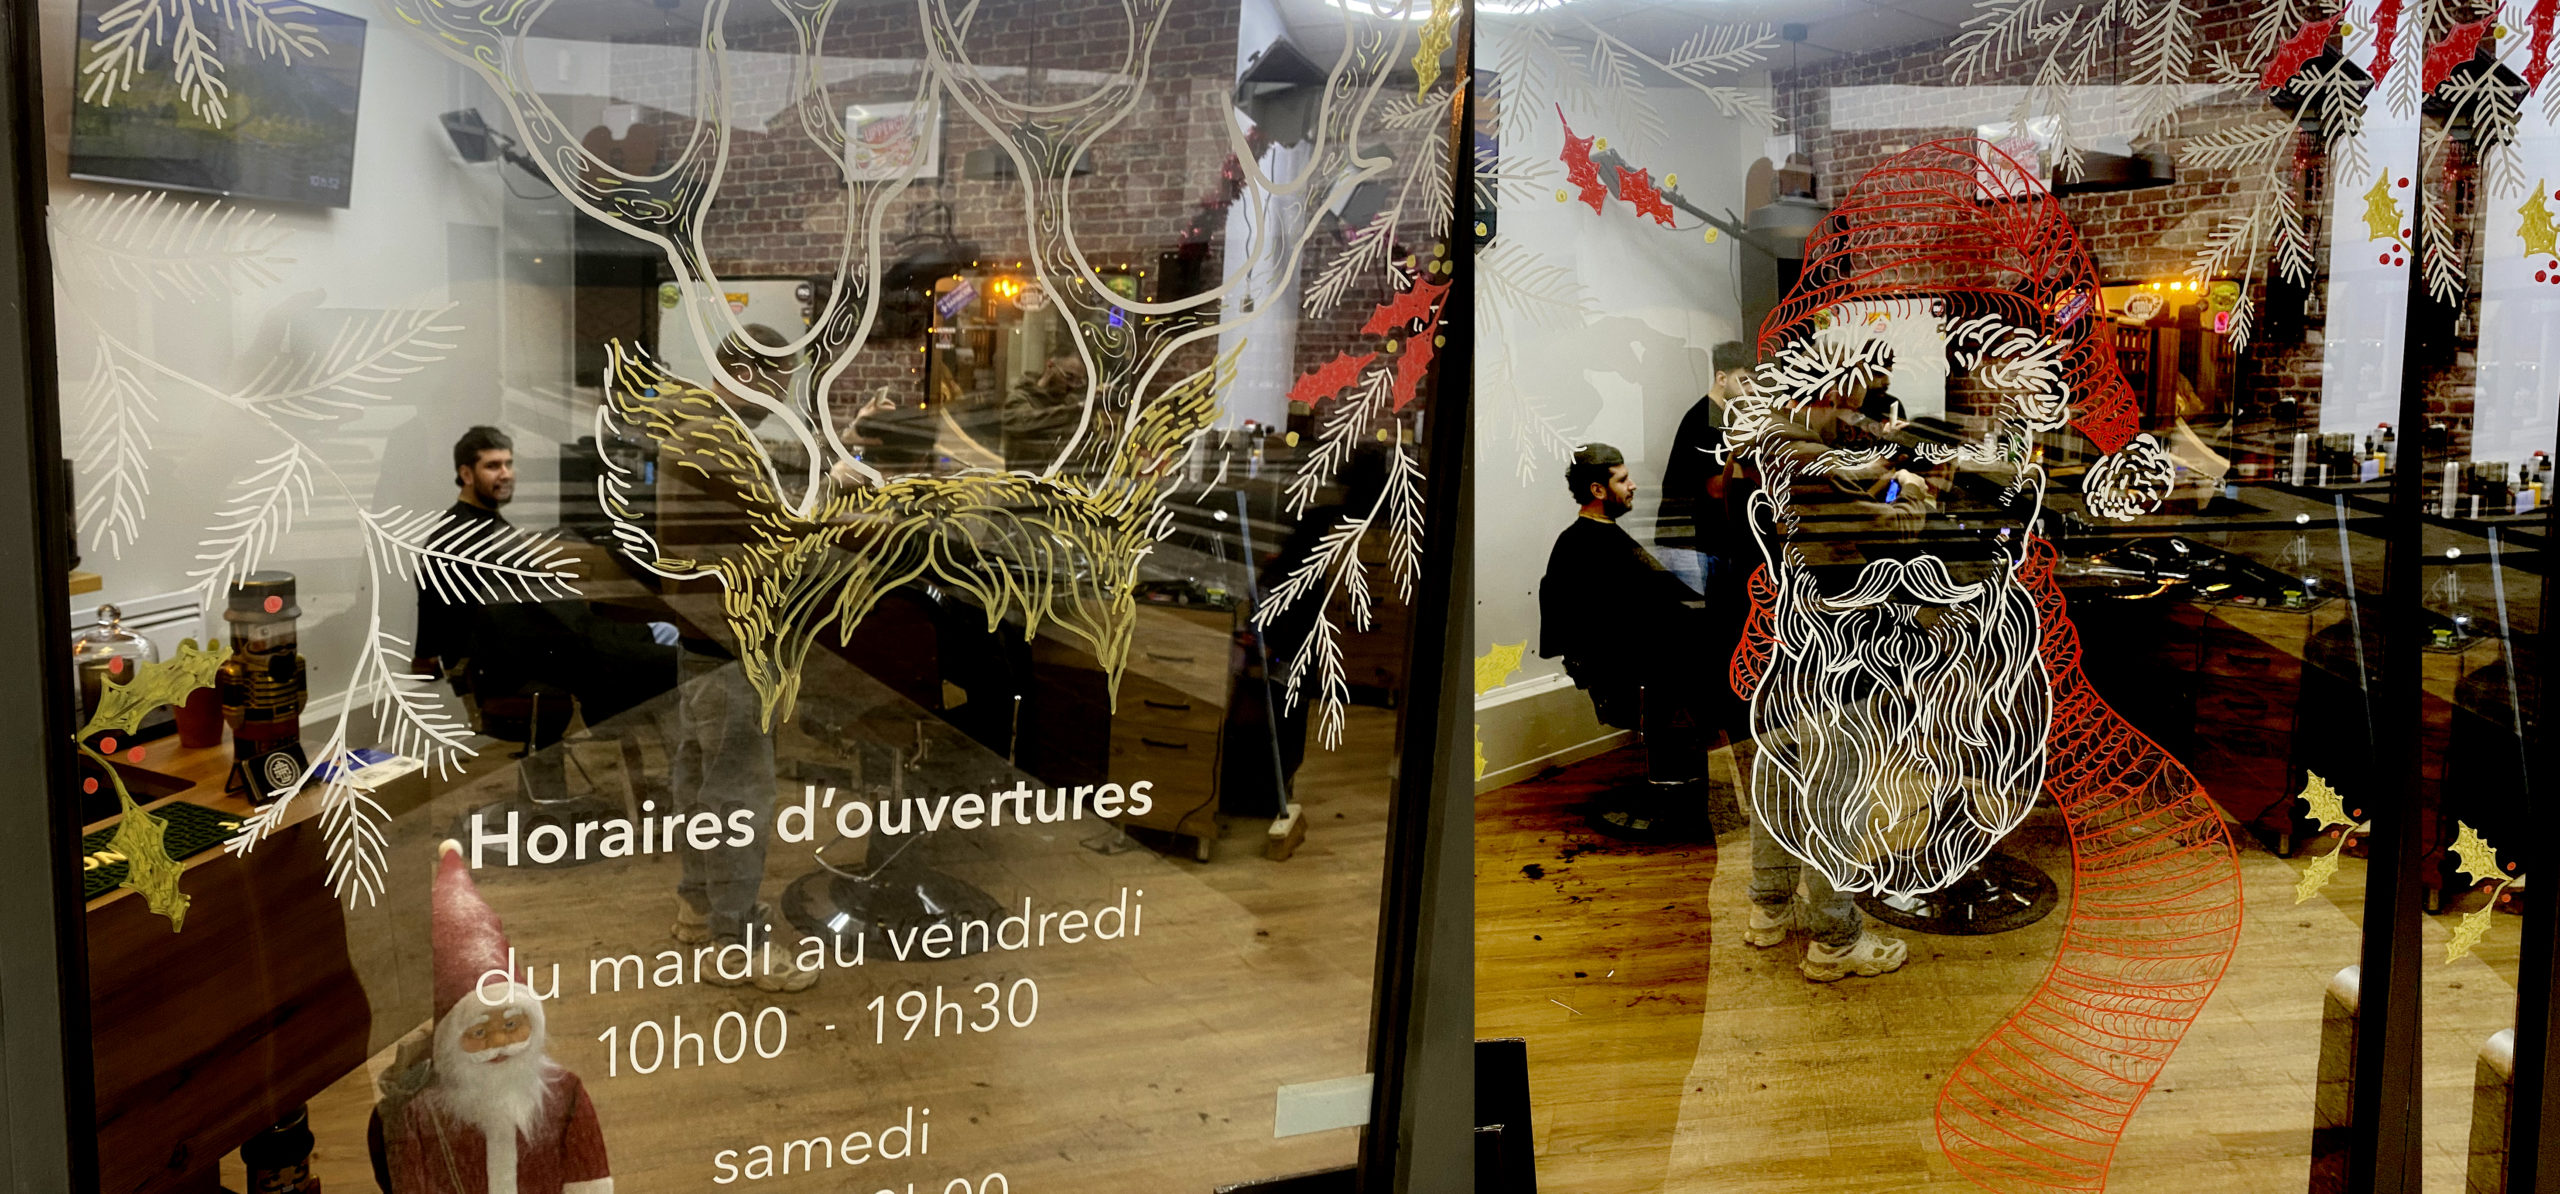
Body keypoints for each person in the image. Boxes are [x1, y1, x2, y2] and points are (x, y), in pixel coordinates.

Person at [374, 841, 611, 1194]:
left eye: (512, 1025)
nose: (499, 1042)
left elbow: (586, 1174)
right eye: (479, 1031)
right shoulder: (419, 1113)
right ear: (450, 1040)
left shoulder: (566, 1094)